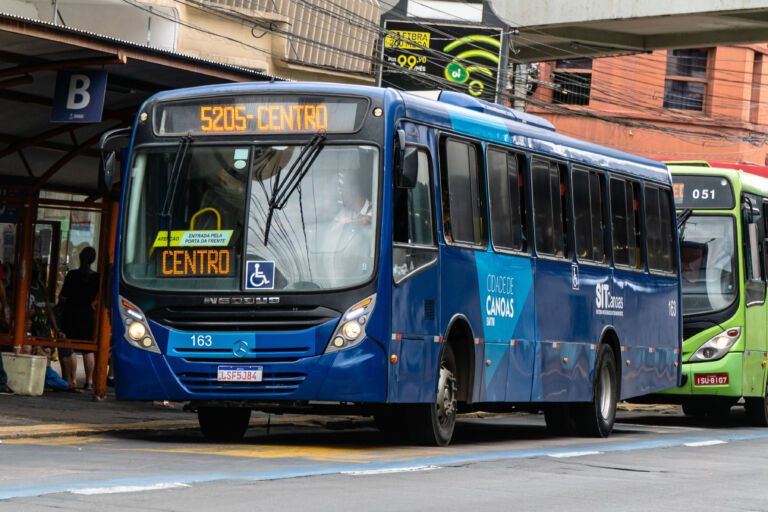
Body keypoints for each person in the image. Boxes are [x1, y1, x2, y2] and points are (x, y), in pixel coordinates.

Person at [59, 246, 99, 390]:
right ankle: (89, 381)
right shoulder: (96, 277)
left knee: (70, 346)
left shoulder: (72, 275)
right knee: (88, 349)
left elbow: (63, 296)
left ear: (80, 258)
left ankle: (73, 379)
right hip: (87, 315)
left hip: (71, 313)